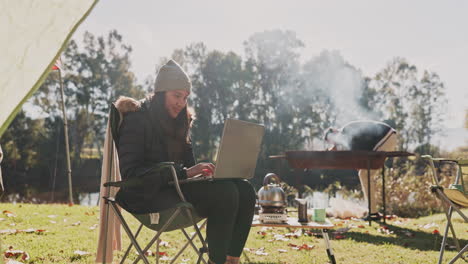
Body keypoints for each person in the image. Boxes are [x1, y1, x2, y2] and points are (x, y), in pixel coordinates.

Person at [114, 60, 256, 264]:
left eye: (185, 97)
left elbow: (188, 168)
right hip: (146, 195)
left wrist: (202, 173)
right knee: (226, 193)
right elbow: (131, 174)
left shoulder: (180, 123)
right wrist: (184, 173)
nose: (181, 103)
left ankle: (231, 259)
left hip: (174, 189)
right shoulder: (137, 120)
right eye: (176, 96)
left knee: (244, 189)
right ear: (161, 92)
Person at [324, 120, 397, 220]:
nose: (335, 143)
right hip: (388, 137)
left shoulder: (345, 131)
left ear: (335, 132)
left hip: (386, 137)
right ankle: (373, 212)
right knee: (364, 174)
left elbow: (357, 155)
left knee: (364, 174)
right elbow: (358, 153)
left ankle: (373, 213)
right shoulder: (347, 135)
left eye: (332, 140)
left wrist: (335, 149)